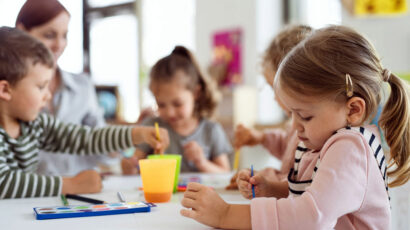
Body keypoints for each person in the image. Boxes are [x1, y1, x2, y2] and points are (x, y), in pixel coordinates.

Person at [180, 25, 410, 229]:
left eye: (305, 117)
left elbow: (311, 217)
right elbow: (313, 193)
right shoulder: (327, 140)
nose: (295, 128)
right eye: (292, 115)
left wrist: (226, 214)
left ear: (352, 110)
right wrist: (272, 189)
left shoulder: (351, 148)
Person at [0, 26, 169, 199]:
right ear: (5, 89)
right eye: (41, 87)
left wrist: (136, 134)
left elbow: (85, 138)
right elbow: (3, 182)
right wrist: (71, 185)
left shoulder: (35, 124)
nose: (48, 95)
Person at [15, 0, 116, 176]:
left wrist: (133, 142)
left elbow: (97, 142)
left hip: (80, 195)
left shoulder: (83, 85)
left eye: (65, 35)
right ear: (22, 31)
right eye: (49, 35)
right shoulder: (9, 93)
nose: (59, 45)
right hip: (28, 197)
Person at [226, 25, 313, 199]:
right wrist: (261, 137)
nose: (274, 98)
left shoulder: (314, 132)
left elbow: (297, 182)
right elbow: (287, 145)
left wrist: (263, 177)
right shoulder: (297, 126)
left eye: (275, 89)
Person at [124, 46, 232, 173]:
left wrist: (202, 162)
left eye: (177, 104)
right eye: (161, 105)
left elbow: (225, 173)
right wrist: (130, 166)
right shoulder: (152, 128)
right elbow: (133, 167)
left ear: (196, 93)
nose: (170, 112)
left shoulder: (211, 131)